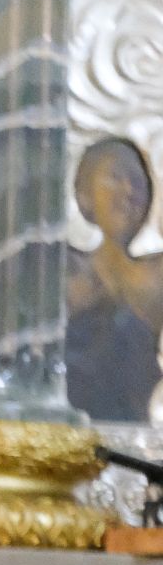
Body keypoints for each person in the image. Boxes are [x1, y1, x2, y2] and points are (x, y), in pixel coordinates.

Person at [66, 136, 163, 421]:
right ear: (85, 195)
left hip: (136, 439)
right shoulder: (64, 270)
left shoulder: (157, 275)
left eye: (138, 181)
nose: (129, 190)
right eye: (114, 178)